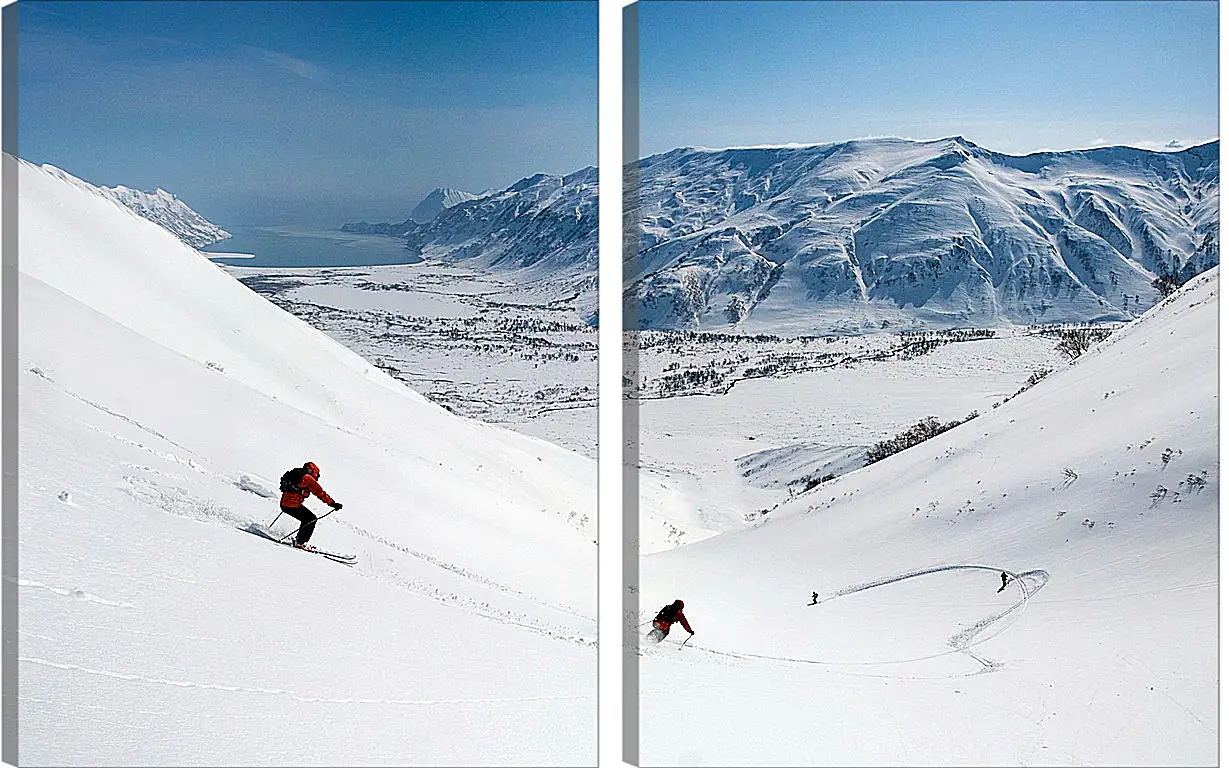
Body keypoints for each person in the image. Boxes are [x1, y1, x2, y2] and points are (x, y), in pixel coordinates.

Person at [279, 461, 342, 549]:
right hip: (291, 505)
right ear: (314, 472)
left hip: (285, 503)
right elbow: (319, 492)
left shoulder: (298, 473)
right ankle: (300, 542)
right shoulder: (308, 478)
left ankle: (299, 540)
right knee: (311, 519)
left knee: (308, 518)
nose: (317, 478)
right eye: (317, 475)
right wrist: (332, 503)